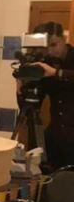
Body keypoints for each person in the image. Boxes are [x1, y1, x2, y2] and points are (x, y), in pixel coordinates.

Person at [29, 21, 74, 169]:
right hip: (55, 139)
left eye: (54, 45)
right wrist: (22, 83)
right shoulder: (44, 64)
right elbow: (32, 105)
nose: (50, 51)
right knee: (50, 180)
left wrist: (56, 73)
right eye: (45, 47)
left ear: (64, 39)